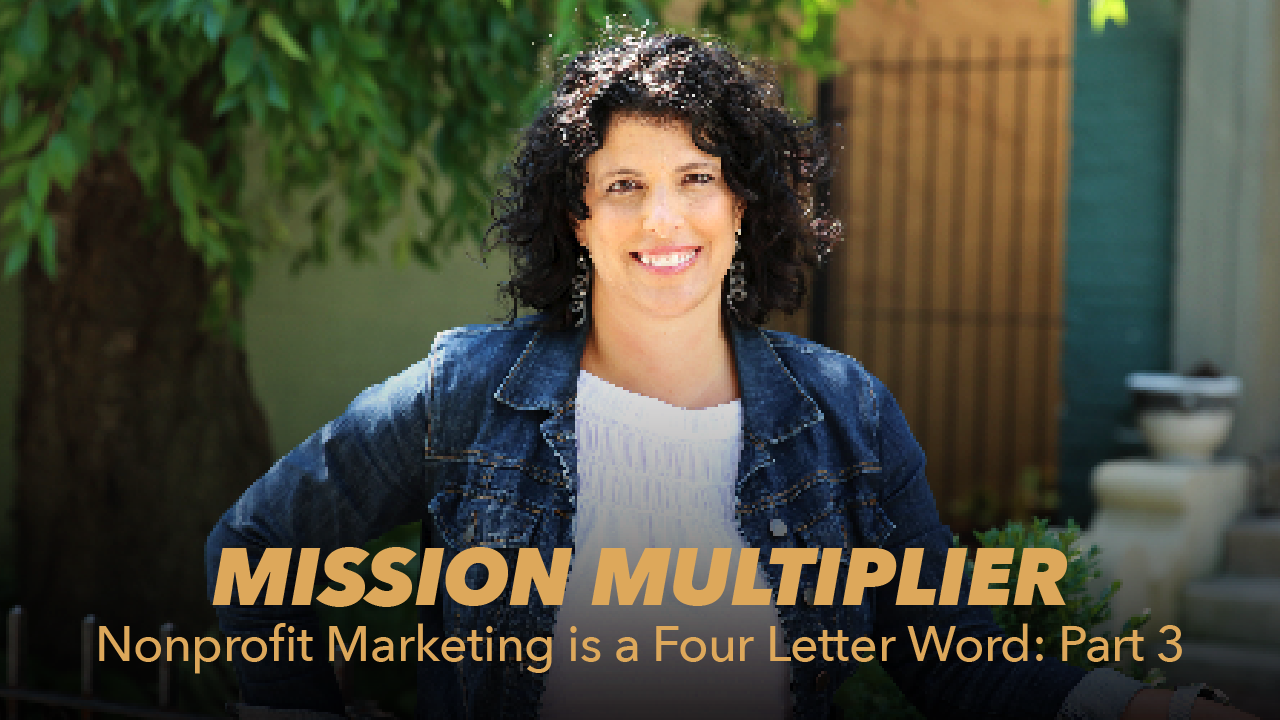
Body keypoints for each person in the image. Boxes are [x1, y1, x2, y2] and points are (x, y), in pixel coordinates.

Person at [206, 32, 1254, 720]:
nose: (661, 217)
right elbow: (254, 546)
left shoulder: (844, 413)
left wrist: (1144, 708)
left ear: (743, 206)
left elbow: (952, 653)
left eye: (695, 178)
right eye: (622, 184)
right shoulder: (467, 393)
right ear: (577, 219)